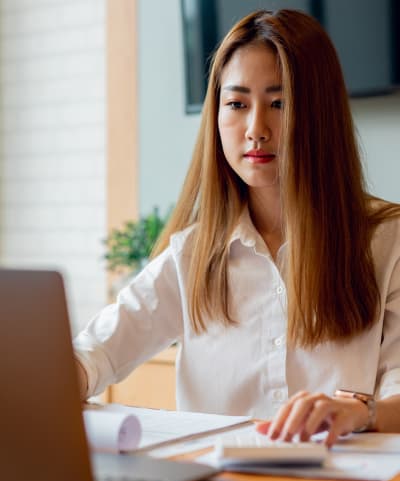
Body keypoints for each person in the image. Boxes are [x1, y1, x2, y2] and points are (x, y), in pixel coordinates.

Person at [74, 9, 400, 447]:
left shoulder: (387, 241)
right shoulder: (192, 254)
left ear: (320, 113)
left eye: (279, 103)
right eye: (237, 104)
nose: (256, 130)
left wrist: (359, 411)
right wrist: (57, 379)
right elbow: (95, 353)